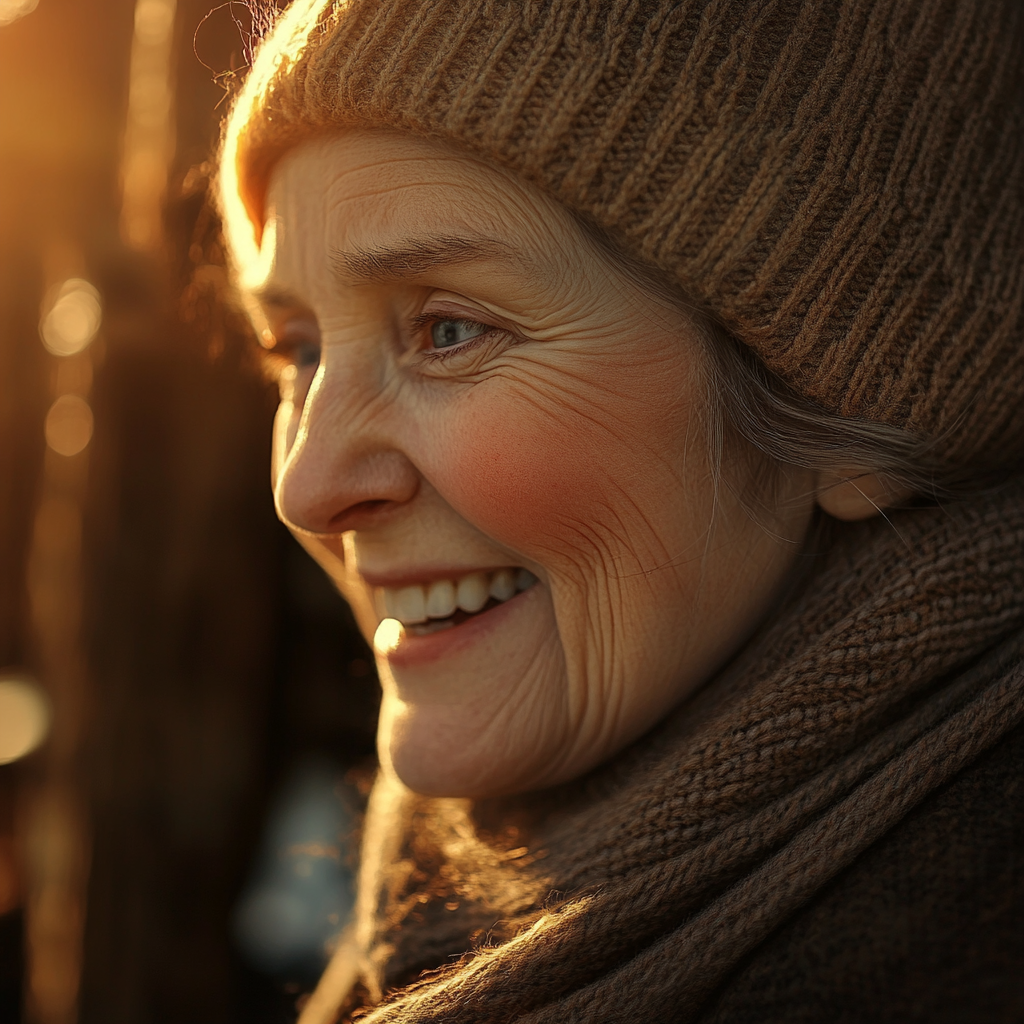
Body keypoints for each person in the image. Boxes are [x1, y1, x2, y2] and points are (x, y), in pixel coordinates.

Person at [217, 1, 1024, 1020]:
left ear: (843, 391)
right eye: (298, 350)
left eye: (450, 329)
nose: (308, 485)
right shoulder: (458, 894)